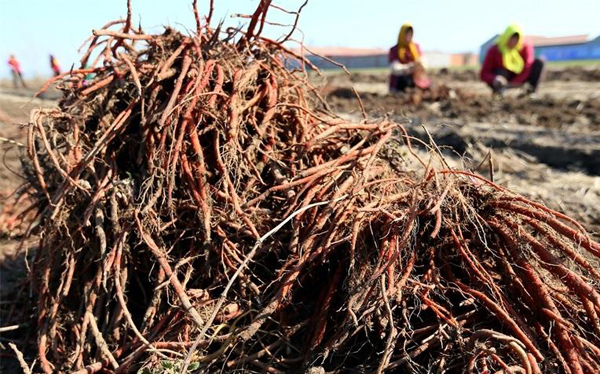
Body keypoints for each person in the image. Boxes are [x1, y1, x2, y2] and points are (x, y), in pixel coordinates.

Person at [480, 24, 544, 96]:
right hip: (503, 80)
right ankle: (499, 93)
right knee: (499, 71)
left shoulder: (524, 47)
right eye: (510, 39)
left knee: (539, 62)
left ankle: (531, 93)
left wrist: (514, 83)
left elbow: (528, 67)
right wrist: (494, 79)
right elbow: (484, 73)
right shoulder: (495, 50)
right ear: (505, 37)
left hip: (519, 78)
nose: (513, 42)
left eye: (516, 39)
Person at [388, 23, 431, 92]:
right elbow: (394, 68)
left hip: (416, 78)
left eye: (410, 34)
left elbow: (423, 61)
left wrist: (419, 65)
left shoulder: (415, 47)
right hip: (401, 80)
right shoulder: (394, 50)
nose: (408, 36)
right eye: (406, 34)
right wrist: (408, 68)